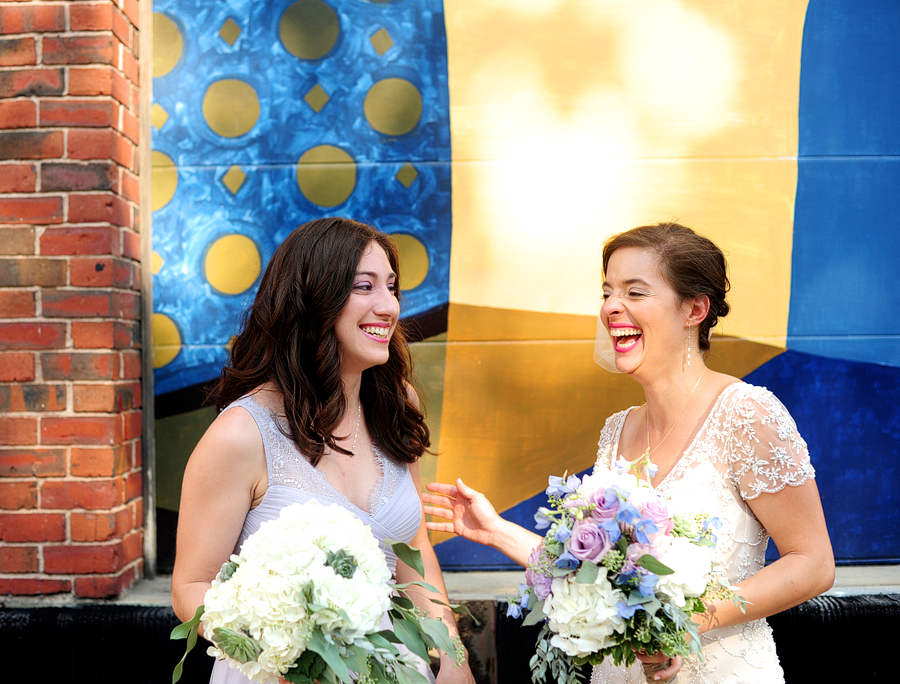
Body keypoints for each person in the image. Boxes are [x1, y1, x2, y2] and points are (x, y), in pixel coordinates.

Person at [423, 223, 834, 683]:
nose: (611, 307)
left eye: (635, 292)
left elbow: (813, 564)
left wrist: (688, 623)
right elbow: (595, 572)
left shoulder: (747, 414)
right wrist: (497, 531)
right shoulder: (617, 430)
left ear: (695, 309)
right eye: (607, 292)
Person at [172, 217, 474, 684]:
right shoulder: (241, 435)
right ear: (314, 298)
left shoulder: (397, 406)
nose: (388, 306)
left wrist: (454, 657)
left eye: (391, 287)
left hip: (392, 668)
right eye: (364, 287)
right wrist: (279, 656)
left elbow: (412, 548)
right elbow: (190, 588)